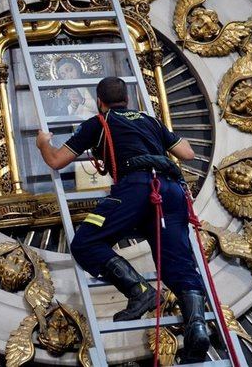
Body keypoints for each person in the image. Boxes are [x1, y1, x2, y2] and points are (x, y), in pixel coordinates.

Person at [36, 77, 210, 361]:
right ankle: (198, 328)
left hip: (137, 188)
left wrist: (43, 143)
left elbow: (56, 160)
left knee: (86, 242)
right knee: (177, 262)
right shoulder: (149, 120)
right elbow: (187, 153)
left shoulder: (98, 122)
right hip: (170, 190)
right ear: (127, 99)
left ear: (99, 100)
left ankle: (139, 291)